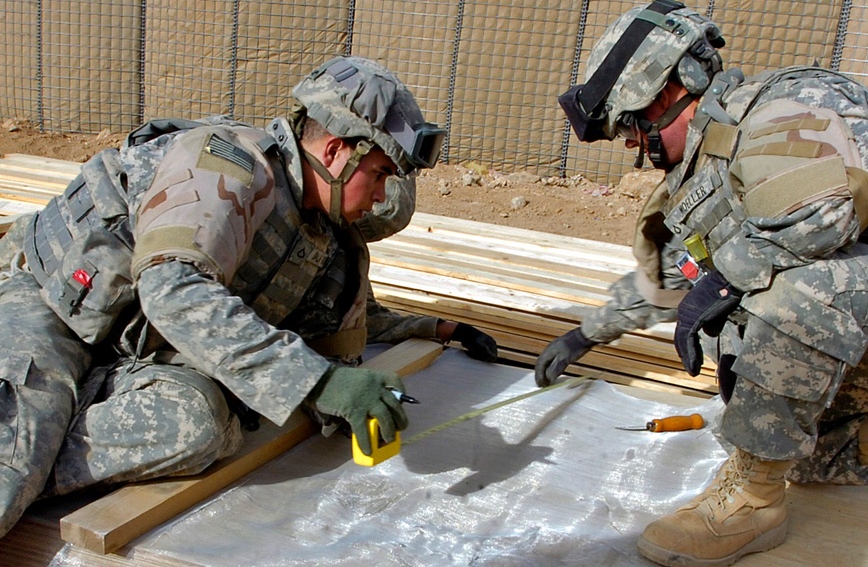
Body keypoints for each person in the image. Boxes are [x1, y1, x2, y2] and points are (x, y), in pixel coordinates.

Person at [538, 0, 868, 567]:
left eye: (630, 127)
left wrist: (729, 280)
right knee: (772, 427)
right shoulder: (714, 160)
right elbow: (676, 274)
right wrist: (584, 336)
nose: (632, 146)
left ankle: (752, 505)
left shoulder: (783, 107)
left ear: (667, 91)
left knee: (792, 296)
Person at [0, 55, 497, 538]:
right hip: (47, 305)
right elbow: (172, 285)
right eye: (381, 175)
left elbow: (317, 324)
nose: (380, 199)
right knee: (9, 471)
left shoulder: (317, 232)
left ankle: (37, 438)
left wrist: (433, 329)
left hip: (131, 346)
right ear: (337, 152)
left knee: (201, 426)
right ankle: (25, 447)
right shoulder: (227, 166)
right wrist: (316, 383)